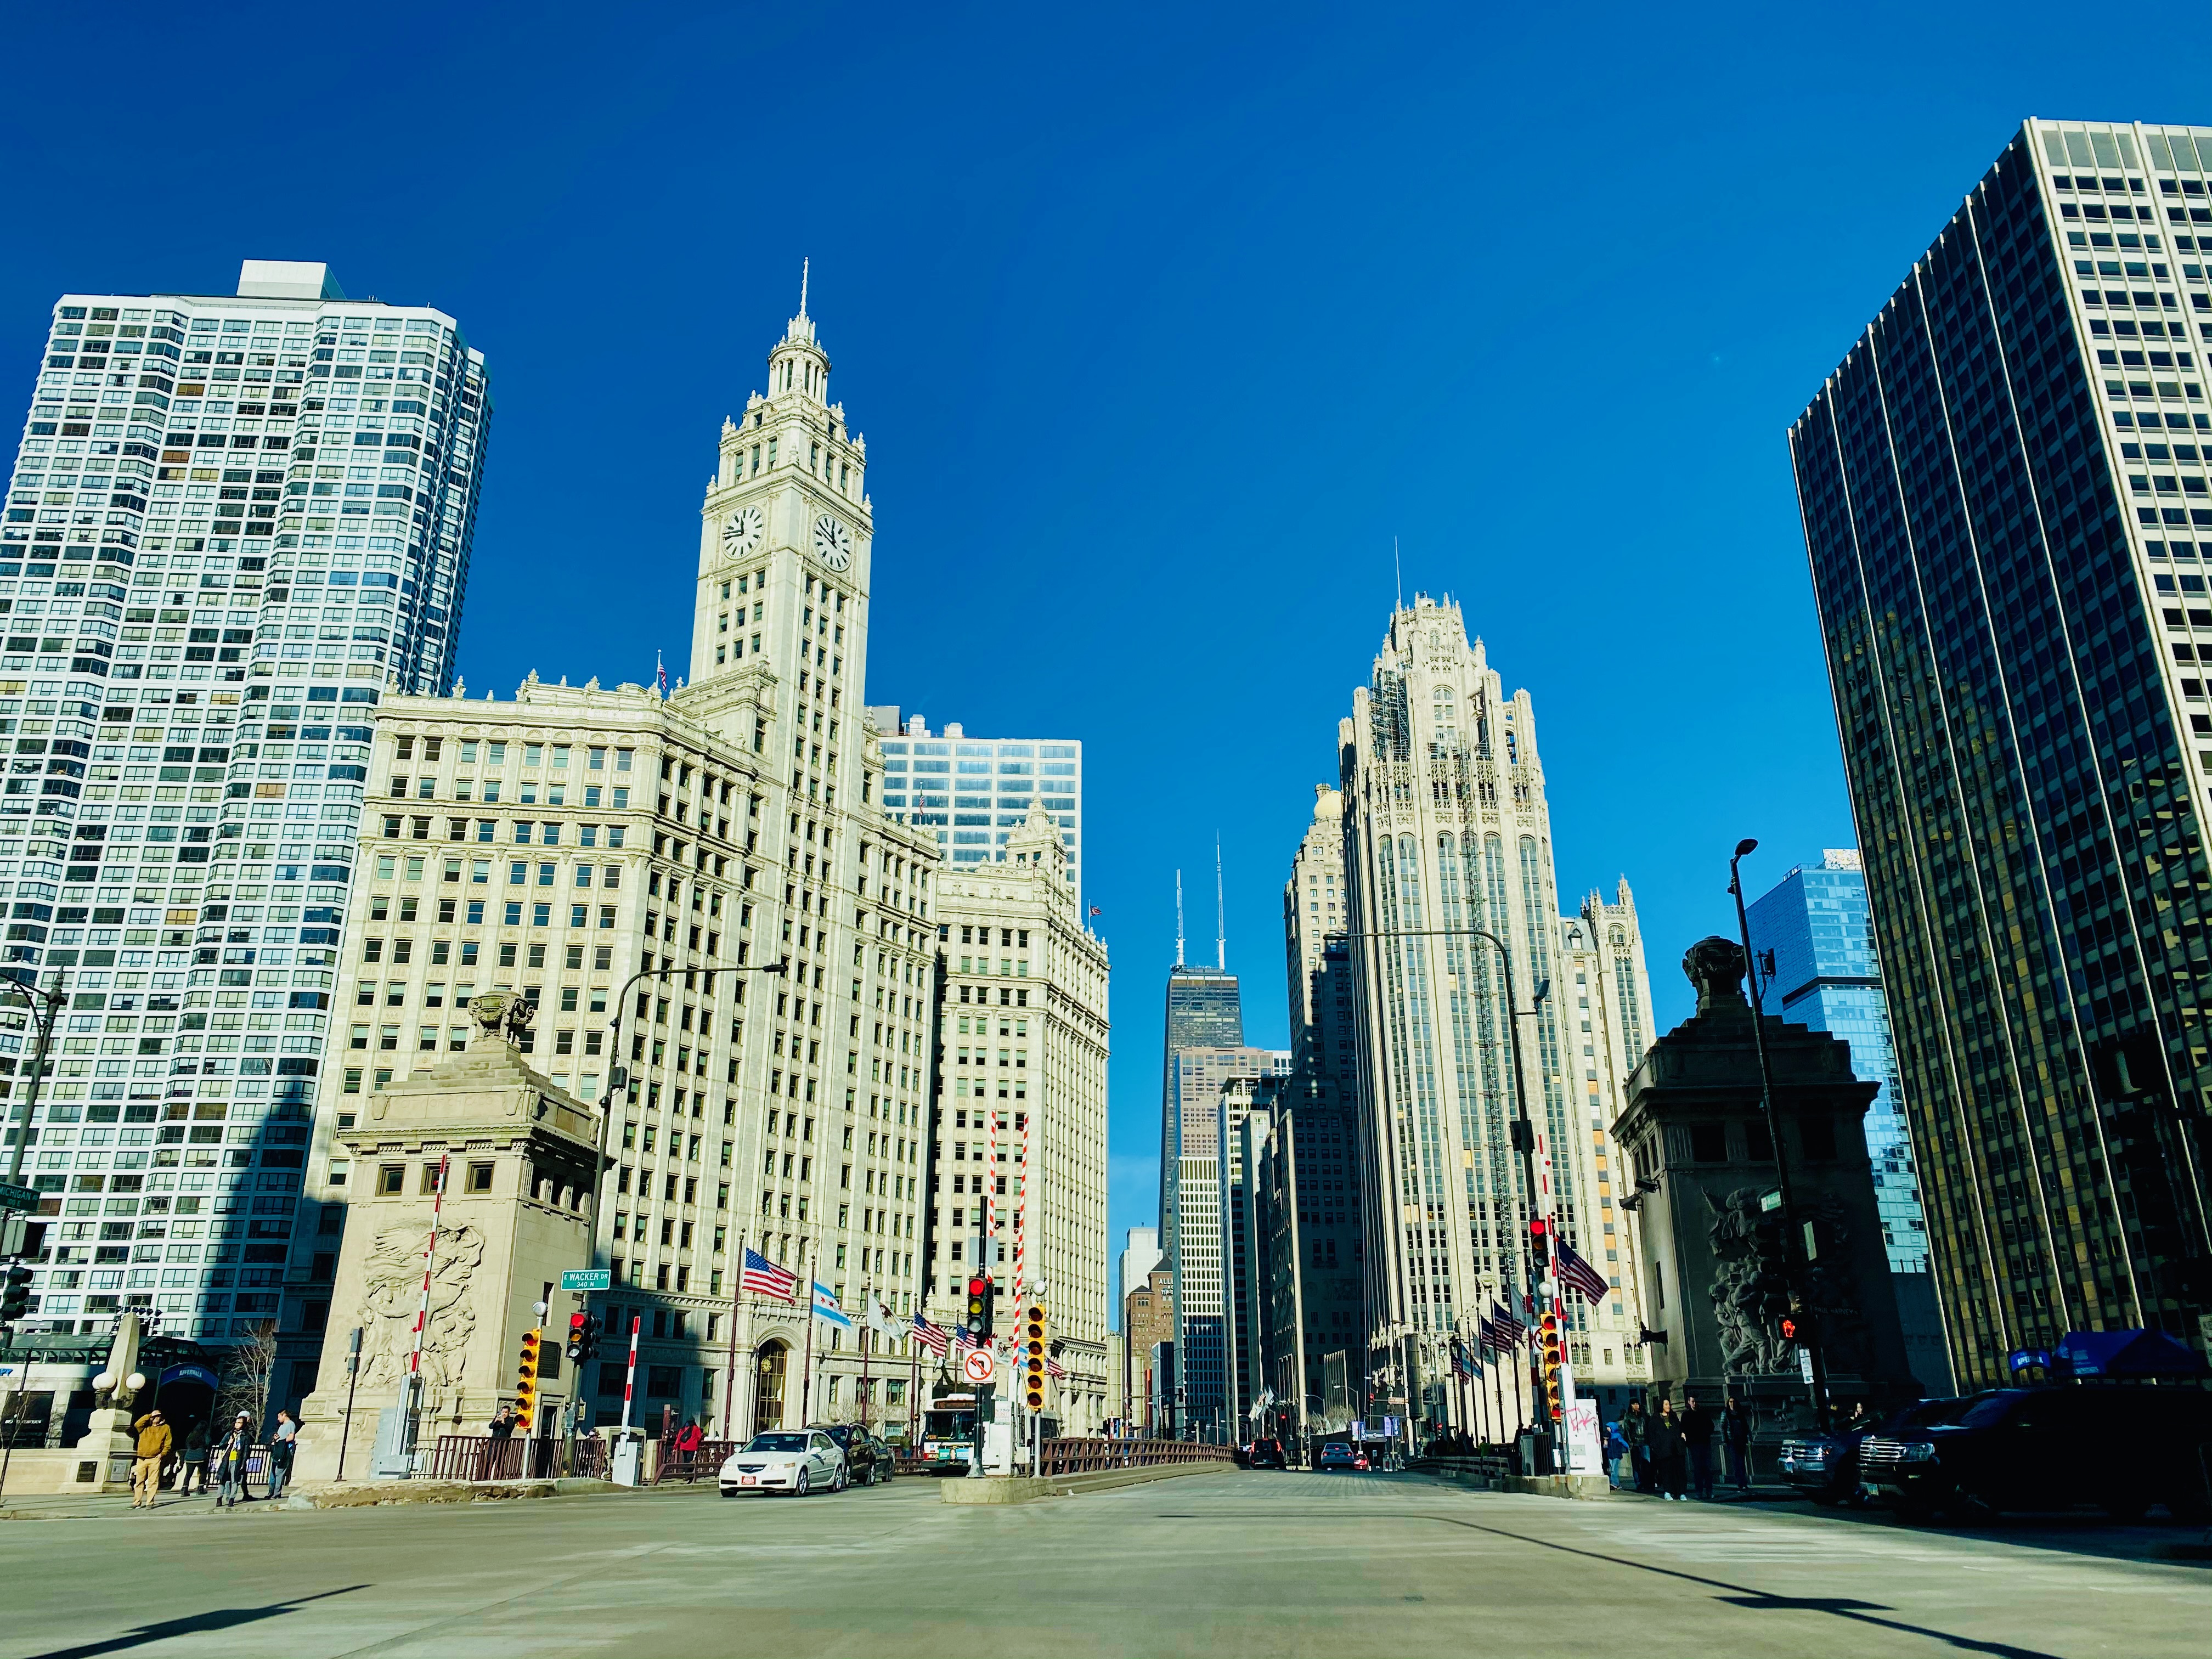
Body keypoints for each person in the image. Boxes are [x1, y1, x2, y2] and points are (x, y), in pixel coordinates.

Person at [130, 1409, 172, 1510]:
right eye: (155, 1416)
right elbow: (137, 1424)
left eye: (158, 1416)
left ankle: (150, 1502)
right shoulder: (144, 1428)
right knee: (139, 1482)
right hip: (142, 1458)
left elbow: (168, 1443)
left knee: (153, 1482)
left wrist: (162, 1454)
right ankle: (137, 1502)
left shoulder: (165, 1428)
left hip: (155, 1458)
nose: (156, 1417)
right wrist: (150, 1415)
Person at [1647, 1398, 1688, 1500]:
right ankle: (1668, 1491)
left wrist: (1682, 1438)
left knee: (1679, 1471)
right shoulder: (1655, 1419)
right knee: (1666, 1472)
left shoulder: (1673, 1417)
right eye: (1666, 1404)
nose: (1668, 1406)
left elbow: (1680, 1429)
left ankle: (1681, 1492)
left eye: (1669, 1404)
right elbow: (1652, 1434)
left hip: (1676, 1449)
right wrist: (1655, 1447)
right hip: (1664, 1451)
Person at [211, 1413, 253, 1509]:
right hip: (227, 1459)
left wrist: (243, 1463)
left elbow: (246, 1451)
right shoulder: (229, 1434)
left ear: (243, 1424)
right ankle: (219, 1498)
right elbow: (221, 1445)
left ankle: (232, 1499)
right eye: (236, 1423)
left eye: (240, 1423)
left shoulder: (245, 1436)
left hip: (237, 1460)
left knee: (235, 1480)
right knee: (223, 1480)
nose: (237, 1424)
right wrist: (228, 1442)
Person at [1681, 1392, 1717, 1500]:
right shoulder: (1686, 1415)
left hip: (1704, 1443)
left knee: (1707, 1468)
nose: (1695, 1404)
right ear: (1689, 1402)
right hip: (1694, 1445)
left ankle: (1709, 1490)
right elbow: (1683, 1429)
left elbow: (1711, 1426)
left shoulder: (1703, 1413)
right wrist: (1688, 1442)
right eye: (1693, 1402)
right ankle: (1699, 1491)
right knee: (1698, 1469)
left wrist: (1706, 1434)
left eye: (1696, 1401)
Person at [1722, 1396, 1753, 1494]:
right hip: (1732, 1441)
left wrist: (1750, 1438)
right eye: (1730, 1402)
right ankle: (1740, 1483)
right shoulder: (1726, 1413)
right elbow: (1723, 1427)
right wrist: (1725, 1440)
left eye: (1734, 1402)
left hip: (1741, 1440)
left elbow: (1746, 1426)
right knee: (1736, 1463)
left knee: (1742, 1462)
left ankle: (1744, 1482)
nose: (1732, 1404)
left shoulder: (1740, 1413)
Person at [1622, 1397, 1652, 1493]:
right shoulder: (1628, 1416)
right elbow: (1627, 1430)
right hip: (1635, 1443)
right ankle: (1639, 1483)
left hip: (1645, 1442)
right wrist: (1630, 1443)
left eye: (1637, 1404)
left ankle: (1648, 1482)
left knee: (1647, 1463)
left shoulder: (1644, 1415)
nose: (1636, 1406)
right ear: (1631, 1405)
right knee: (1636, 1464)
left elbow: (1649, 1426)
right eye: (1634, 1404)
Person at [267, 1410, 298, 1498]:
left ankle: (277, 1493)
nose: (278, 1419)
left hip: (284, 1451)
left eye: (279, 1416)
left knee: (279, 1473)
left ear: (284, 1415)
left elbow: (291, 1436)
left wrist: (281, 1442)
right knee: (273, 1473)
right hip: (278, 1450)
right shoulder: (282, 1426)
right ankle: (271, 1492)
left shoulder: (291, 1424)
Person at [179, 1422, 209, 1496]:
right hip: (201, 1456)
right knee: (203, 1473)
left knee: (188, 1474)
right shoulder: (205, 1434)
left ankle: (185, 1489)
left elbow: (187, 1443)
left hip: (189, 1456)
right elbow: (208, 1442)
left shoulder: (192, 1434)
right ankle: (200, 1489)